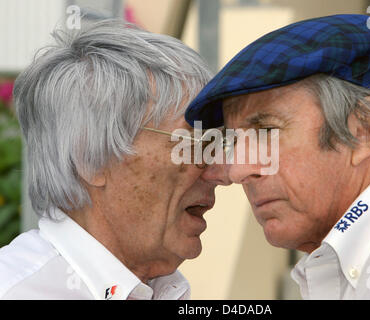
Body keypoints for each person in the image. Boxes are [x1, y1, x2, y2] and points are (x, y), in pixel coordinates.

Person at [185, 14, 370, 299]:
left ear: (364, 130)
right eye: (234, 140)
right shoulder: (368, 252)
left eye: (266, 131)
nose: (237, 171)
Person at [0, 19, 229, 300]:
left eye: (218, 145)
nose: (222, 173)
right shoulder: (17, 291)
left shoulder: (161, 288)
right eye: (193, 144)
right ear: (91, 158)